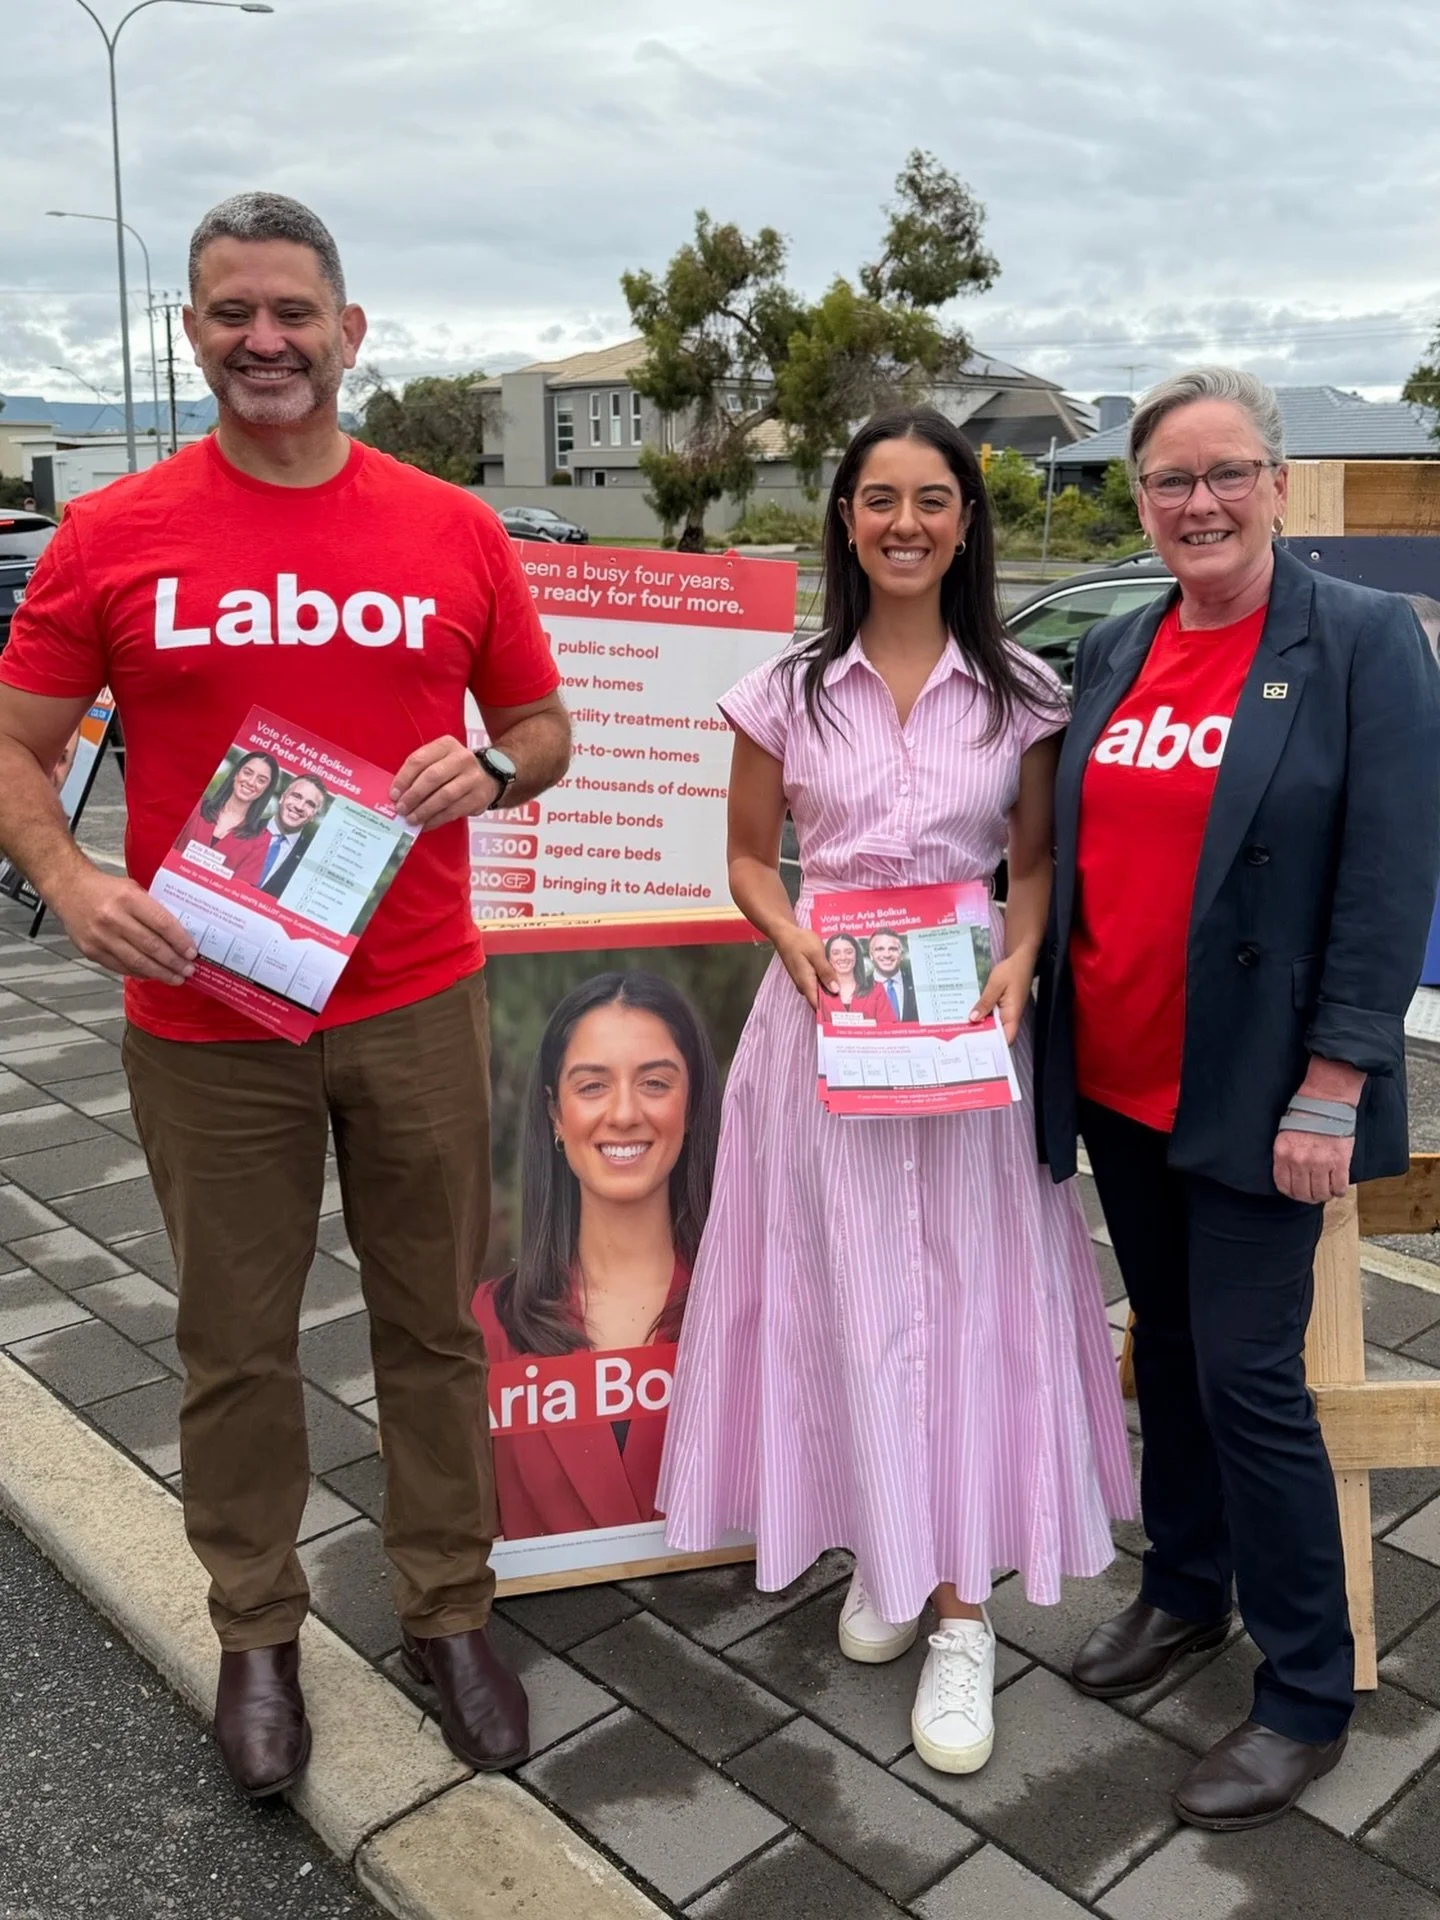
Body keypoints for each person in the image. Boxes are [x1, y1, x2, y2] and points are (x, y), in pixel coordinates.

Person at [0, 192, 572, 1796]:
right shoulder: (114, 535)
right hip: (206, 1016)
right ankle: (257, 1630)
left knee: (433, 1330)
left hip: (412, 1000)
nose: (266, 340)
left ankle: (450, 1605)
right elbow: (17, 744)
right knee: (234, 1342)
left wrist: (492, 771)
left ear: (350, 332)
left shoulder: (447, 528)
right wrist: (70, 883)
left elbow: (545, 729)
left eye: (293, 313)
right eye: (233, 313)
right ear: (194, 336)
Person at [659, 405, 1134, 1778]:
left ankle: (962, 1615)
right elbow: (749, 857)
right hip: (822, 1025)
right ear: (845, 518)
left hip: (969, 1027)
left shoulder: (1023, 697)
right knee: (848, 1291)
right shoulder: (788, 688)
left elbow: (1034, 865)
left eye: (934, 499)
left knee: (965, 1301)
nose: (907, 524)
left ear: (968, 522)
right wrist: (789, 929)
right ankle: (890, 1540)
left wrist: (1027, 954)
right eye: (880, 499)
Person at [1035, 367, 1440, 1831]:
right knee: (1176, 1349)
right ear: (1136, 498)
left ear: (1276, 481)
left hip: (1268, 1093)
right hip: (1123, 1082)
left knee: (1249, 1380)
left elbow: (1392, 878)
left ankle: (1307, 1691)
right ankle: (1186, 1593)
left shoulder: (1361, 639)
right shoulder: (1121, 645)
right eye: (1167, 481)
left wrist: (1337, 1081)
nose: (1195, 504)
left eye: (1224, 474)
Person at [473, 972, 720, 1538]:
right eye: (592, 1087)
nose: (625, 1113)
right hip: (549, 1621)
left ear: (693, 1103)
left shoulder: (756, 1309)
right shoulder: (486, 1326)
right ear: (556, 1115)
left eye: (656, 1083)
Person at [174, 750, 278, 875]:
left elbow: (241, 888)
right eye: (247, 773)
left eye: (261, 780)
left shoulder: (261, 839)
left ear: (266, 789)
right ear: (236, 774)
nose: (251, 782)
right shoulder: (196, 808)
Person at [255, 773, 328, 897]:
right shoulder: (243, 826)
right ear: (282, 798)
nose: (299, 806)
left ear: (314, 815)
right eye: (296, 796)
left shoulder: (310, 861)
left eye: (310, 804)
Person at [815, 931, 896, 1024]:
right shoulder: (819, 991)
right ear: (828, 958)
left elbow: (888, 1027)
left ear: (856, 956)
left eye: (849, 952)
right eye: (836, 953)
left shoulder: (876, 989)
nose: (843, 957)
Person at [867, 926, 918, 1021]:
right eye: (880, 949)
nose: (887, 955)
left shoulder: (916, 984)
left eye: (893, 949)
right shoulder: (858, 988)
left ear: (901, 954)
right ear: (871, 955)